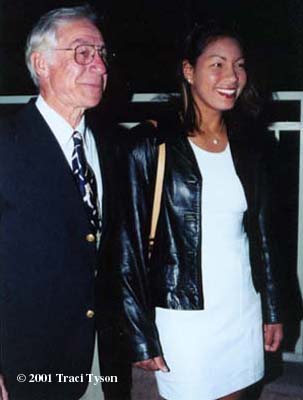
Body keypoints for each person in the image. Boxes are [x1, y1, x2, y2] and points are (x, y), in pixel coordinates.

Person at [116, 23, 283, 400]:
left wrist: (273, 306)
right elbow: (126, 247)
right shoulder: (150, 142)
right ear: (189, 71)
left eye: (238, 65)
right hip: (183, 314)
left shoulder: (251, 145)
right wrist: (139, 333)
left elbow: (262, 234)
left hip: (241, 305)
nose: (232, 77)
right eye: (218, 64)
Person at [0, 5, 131, 400]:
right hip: (28, 358)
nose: (99, 66)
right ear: (41, 63)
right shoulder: (6, 143)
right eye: (82, 52)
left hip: (98, 353)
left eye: (102, 54)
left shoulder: (109, 145)